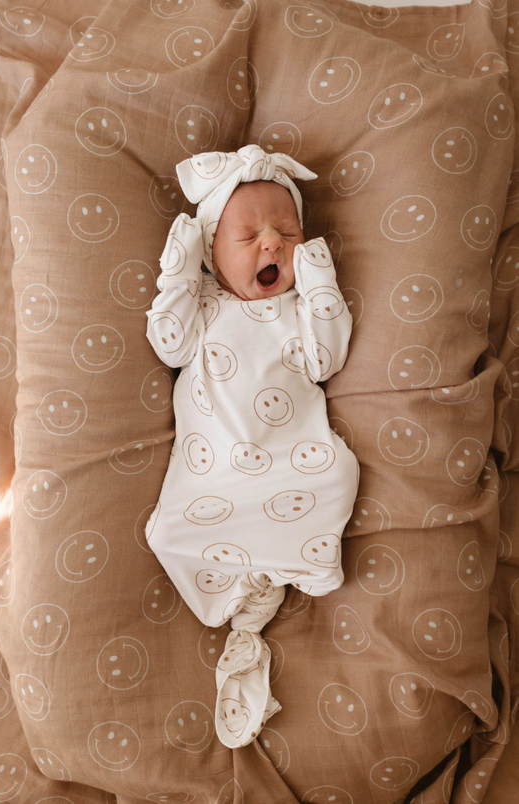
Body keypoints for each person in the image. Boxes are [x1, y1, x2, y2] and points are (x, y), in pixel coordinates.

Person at [145, 144, 359, 749]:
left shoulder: (295, 314)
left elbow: (327, 357)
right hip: (214, 477)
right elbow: (167, 342)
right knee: (165, 531)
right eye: (248, 235)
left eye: (287, 232)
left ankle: (292, 564)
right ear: (213, 254)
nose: (272, 242)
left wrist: (320, 284)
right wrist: (178, 274)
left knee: (339, 470)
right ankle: (251, 596)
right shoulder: (205, 307)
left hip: (291, 460)